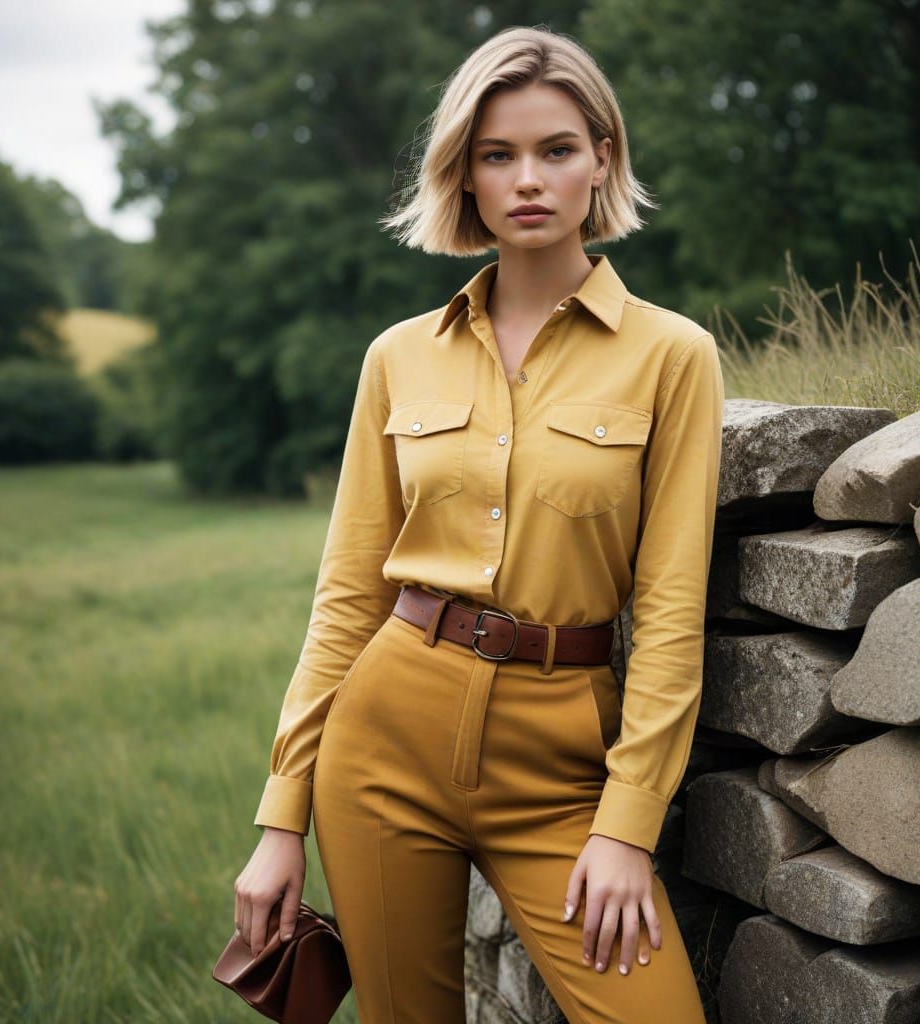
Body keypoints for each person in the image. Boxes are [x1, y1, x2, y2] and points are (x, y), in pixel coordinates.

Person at [233, 24, 723, 1024]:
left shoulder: (673, 357)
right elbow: (346, 597)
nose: (526, 179)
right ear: (464, 178)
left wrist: (627, 828)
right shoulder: (397, 357)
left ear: (602, 160)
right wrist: (282, 817)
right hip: (384, 743)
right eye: (496, 156)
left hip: (558, 765)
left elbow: (672, 614)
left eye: (555, 149)